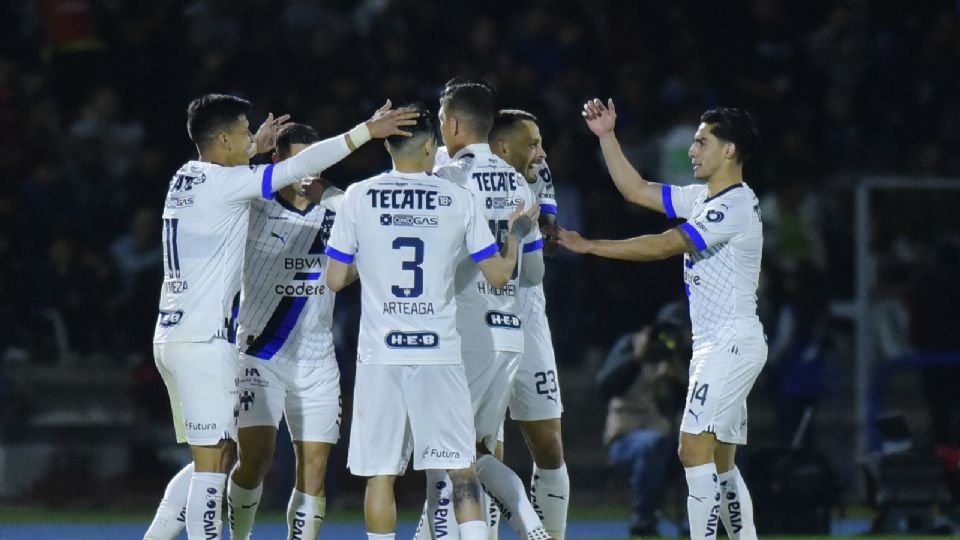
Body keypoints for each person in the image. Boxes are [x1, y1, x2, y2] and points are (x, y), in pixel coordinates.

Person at [144, 93, 418, 540]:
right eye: (246, 131)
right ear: (224, 138)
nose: (253, 136)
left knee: (209, 456)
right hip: (214, 341)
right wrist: (367, 130)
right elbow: (289, 171)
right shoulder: (244, 192)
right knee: (215, 465)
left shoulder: (186, 177)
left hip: (174, 334)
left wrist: (249, 150)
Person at [323, 102, 537, 540]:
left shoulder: (359, 196)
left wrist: (373, 257)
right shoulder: (458, 199)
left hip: (381, 355)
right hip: (438, 352)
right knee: (461, 470)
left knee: (380, 476)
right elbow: (499, 276)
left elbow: (334, 278)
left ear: (388, 146)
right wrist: (513, 235)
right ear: (431, 149)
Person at [558, 99, 764, 540]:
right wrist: (607, 137)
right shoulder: (705, 198)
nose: (691, 150)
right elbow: (635, 189)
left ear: (729, 150)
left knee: (692, 449)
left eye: (701, 141)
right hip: (728, 342)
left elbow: (665, 245)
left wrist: (591, 246)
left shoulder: (734, 205)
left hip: (727, 342)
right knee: (722, 463)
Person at [423, 82, 551, 540]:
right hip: (509, 332)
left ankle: (518, 524)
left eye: (441, 122)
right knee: (477, 452)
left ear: (453, 124)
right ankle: (533, 526)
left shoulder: (449, 179)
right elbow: (533, 271)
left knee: (447, 458)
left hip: (464, 332)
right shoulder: (518, 180)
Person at [225, 122, 349, 540]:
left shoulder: (342, 209)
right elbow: (212, 183)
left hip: (317, 358)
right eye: (299, 162)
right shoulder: (251, 206)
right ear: (277, 162)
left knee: (313, 472)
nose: (310, 173)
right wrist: (249, 154)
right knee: (255, 459)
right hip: (260, 354)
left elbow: (368, 254)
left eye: (317, 163)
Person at [489, 109, 569, 540]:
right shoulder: (452, 169)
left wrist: (546, 227)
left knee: (549, 447)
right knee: (485, 449)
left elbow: (548, 243)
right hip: (478, 320)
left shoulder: (536, 174)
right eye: (533, 144)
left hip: (527, 315)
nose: (542, 153)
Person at [595, 302, 691, 536]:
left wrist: (680, 379)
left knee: (711, 447)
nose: (669, 339)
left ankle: (707, 520)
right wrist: (636, 359)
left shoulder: (684, 356)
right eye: (667, 331)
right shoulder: (631, 345)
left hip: (669, 439)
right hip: (626, 439)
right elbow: (604, 388)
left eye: (678, 333)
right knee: (651, 443)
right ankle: (644, 520)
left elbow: (689, 407)